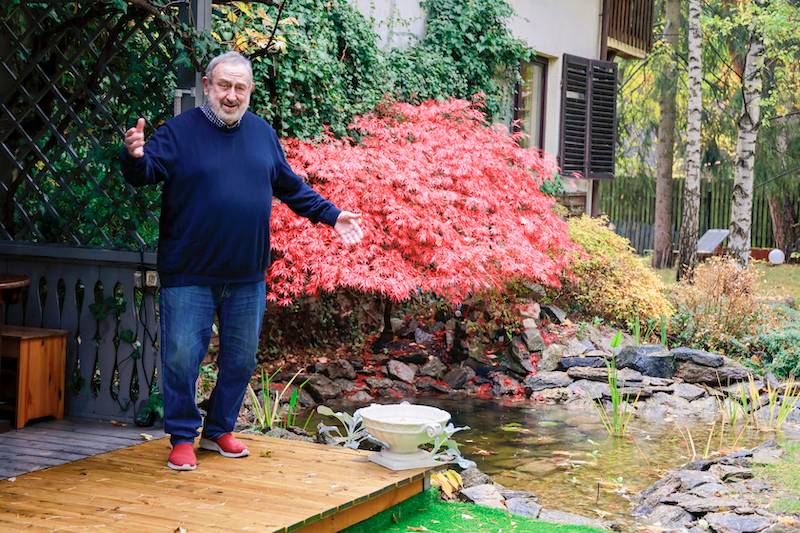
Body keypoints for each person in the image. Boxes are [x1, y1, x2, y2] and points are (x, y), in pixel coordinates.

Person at [120, 51, 363, 471]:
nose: (231, 96)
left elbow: (290, 186)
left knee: (241, 358)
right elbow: (145, 173)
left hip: (247, 274)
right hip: (189, 271)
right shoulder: (179, 132)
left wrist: (332, 214)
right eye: (224, 86)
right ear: (207, 86)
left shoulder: (262, 134)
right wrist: (134, 156)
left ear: (249, 91)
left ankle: (218, 430)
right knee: (181, 355)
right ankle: (181, 435)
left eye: (240, 88)